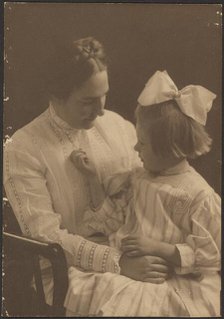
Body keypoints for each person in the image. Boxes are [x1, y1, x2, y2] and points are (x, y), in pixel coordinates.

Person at [3, 37, 169, 307]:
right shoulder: (23, 149)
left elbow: (145, 194)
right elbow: (47, 237)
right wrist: (118, 262)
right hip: (68, 272)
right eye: (88, 101)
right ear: (57, 94)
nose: (102, 110)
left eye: (104, 95)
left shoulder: (118, 126)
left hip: (134, 252)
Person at [65, 70, 221, 317]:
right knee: (102, 292)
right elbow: (111, 222)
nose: (135, 148)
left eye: (143, 143)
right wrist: (93, 180)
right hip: (131, 271)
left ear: (170, 148)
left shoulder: (198, 195)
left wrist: (160, 248)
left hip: (173, 283)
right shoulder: (137, 179)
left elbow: (210, 256)